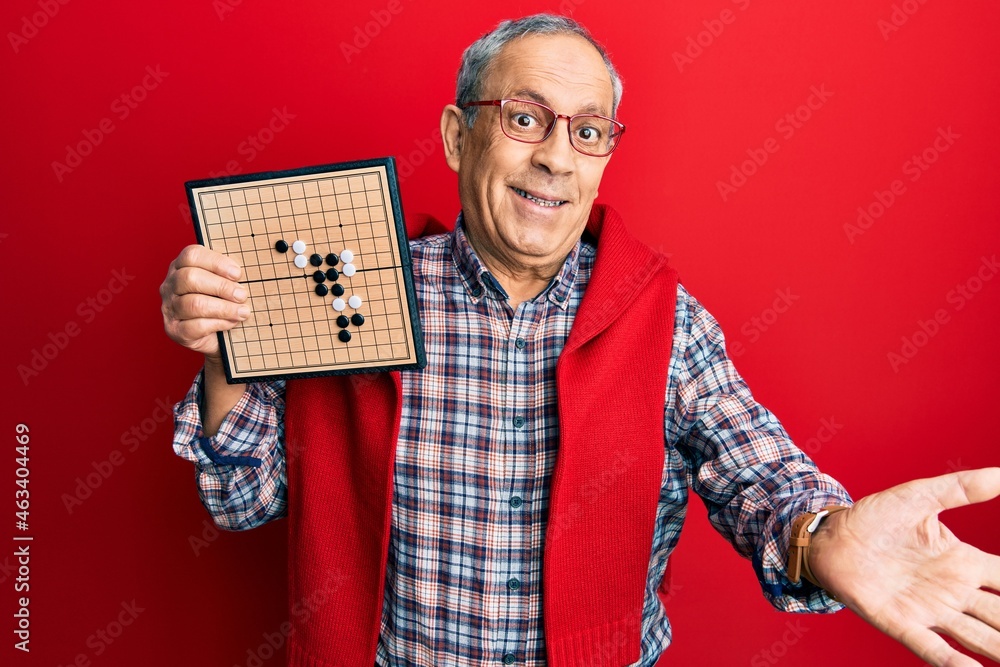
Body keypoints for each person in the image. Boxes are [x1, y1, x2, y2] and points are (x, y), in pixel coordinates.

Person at [161, 14, 1000, 667]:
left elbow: (764, 478)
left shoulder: (663, 320)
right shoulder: (350, 284)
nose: (558, 158)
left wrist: (825, 535)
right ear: (460, 135)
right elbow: (242, 502)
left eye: (588, 131)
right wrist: (220, 343)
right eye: (525, 118)